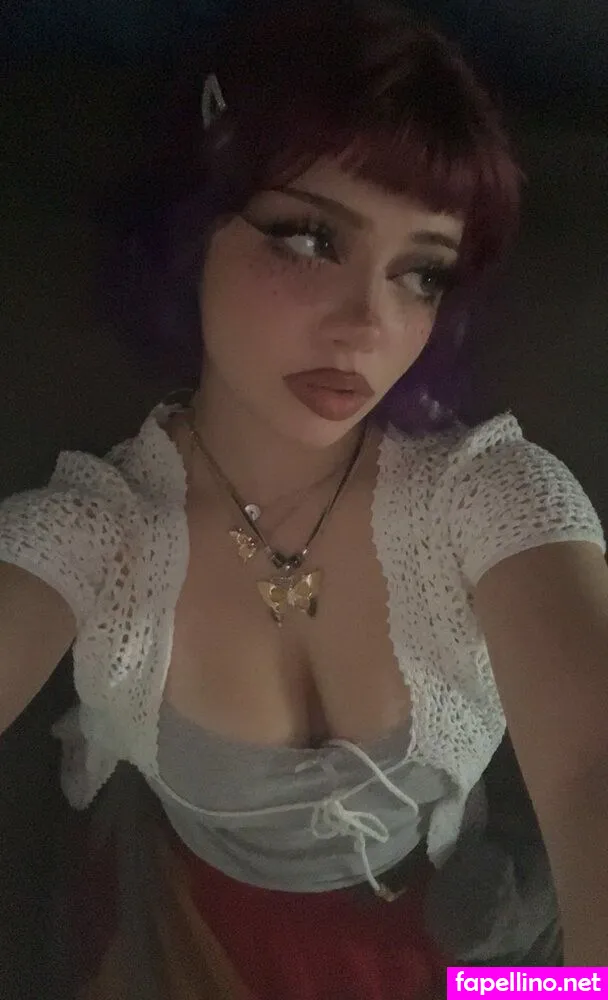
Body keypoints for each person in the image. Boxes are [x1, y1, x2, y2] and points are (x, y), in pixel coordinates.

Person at [1, 1, 607, 996]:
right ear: (192, 232)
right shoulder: (103, 531)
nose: (369, 324)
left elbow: (589, 765)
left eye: (421, 273)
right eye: (309, 239)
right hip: (196, 941)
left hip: (460, 958)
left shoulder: (483, 492)